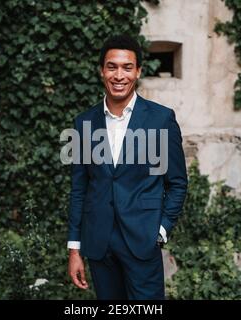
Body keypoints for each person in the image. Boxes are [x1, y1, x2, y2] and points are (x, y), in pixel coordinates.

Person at [67, 34, 187, 300]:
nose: (119, 75)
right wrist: (74, 249)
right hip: (99, 242)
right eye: (112, 66)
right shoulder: (84, 123)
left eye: (127, 67)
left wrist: (161, 230)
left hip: (143, 239)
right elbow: (79, 188)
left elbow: (176, 183)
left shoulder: (160, 120)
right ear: (102, 71)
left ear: (138, 72)